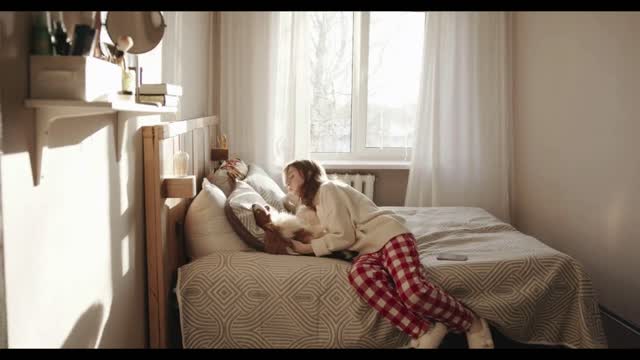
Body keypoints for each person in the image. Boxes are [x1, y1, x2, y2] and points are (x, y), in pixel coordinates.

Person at [282, 159, 494, 349]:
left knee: (413, 291)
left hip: (388, 235)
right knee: (360, 276)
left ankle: (473, 323)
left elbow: (343, 236)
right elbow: (338, 236)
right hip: (367, 249)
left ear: (309, 174)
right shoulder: (319, 203)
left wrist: (307, 248)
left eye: (292, 175)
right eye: (286, 179)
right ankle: (424, 330)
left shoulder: (327, 189)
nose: (288, 182)